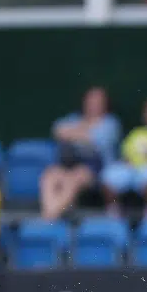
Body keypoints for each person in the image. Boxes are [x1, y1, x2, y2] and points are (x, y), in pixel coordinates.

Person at [40, 87, 121, 221]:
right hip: (68, 165)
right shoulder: (75, 117)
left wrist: (75, 133)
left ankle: (48, 218)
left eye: (98, 101)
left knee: (75, 178)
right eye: (91, 100)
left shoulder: (111, 122)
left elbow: (97, 139)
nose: (94, 104)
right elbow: (58, 130)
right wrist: (84, 133)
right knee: (49, 176)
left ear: (105, 104)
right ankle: (50, 214)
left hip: (96, 170)